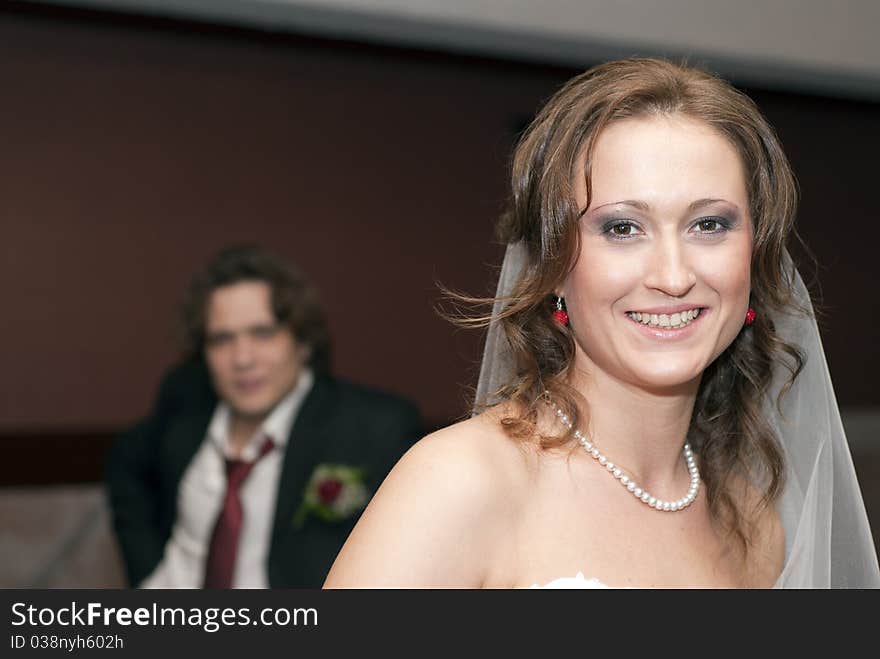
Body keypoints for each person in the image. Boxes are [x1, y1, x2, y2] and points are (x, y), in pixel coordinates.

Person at [324, 58, 880, 588]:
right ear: (554, 270)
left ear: (756, 258)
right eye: (621, 229)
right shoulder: (462, 483)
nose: (672, 274)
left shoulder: (754, 522)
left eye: (709, 224)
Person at [106, 245, 424, 588]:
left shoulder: (373, 426)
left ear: (302, 342)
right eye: (222, 339)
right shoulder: (185, 403)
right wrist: (149, 575)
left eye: (263, 333)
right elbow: (125, 462)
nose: (242, 358)